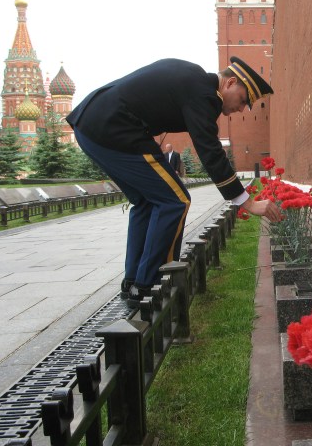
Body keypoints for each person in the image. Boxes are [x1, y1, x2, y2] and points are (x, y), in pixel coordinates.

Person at [66, 56, 282, 306]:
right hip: (114, 127)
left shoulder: (193, 79)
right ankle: (152, 285)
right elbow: (210, 150)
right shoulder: (203, 92)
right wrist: (247, 203)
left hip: (92, 124)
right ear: (230, 82)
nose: (241, 109)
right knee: (175, 201)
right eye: (243, 100)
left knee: (147, 202)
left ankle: (134, 283)